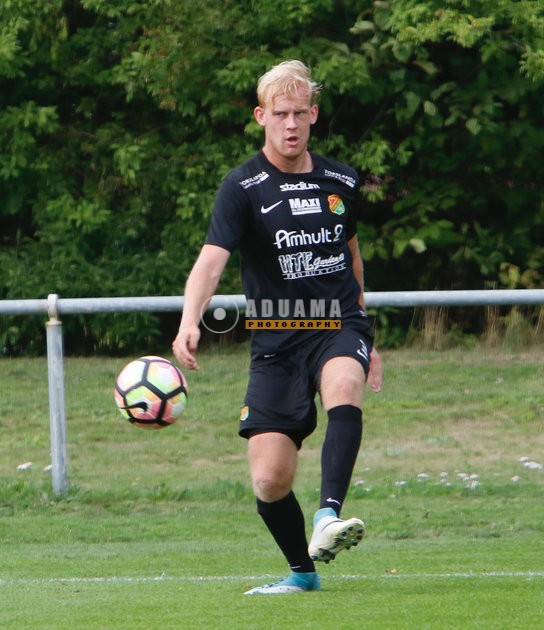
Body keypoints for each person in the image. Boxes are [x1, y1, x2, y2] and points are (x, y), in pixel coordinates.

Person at [172, 59, 382, 595]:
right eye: (281, 114)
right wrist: (190, 319)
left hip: (337, 323)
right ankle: (302, 573)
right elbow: (211, 261)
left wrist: (366, 336)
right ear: (261, 116)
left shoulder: (340, 180)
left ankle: (328, 515)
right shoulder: (242, 186)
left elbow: (351, 259)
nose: (291, 124)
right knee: (269, 480)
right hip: (277, 335)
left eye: (300, 113)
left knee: (344, 384)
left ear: (314, 115)